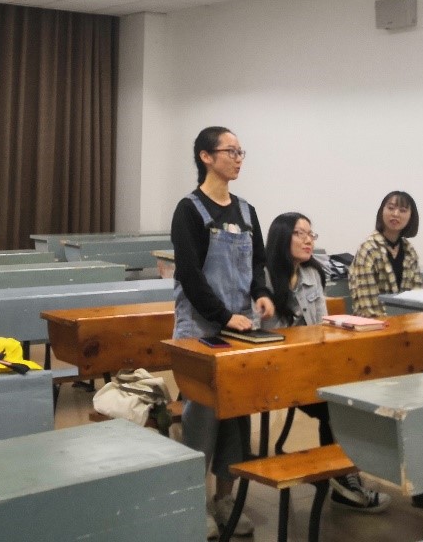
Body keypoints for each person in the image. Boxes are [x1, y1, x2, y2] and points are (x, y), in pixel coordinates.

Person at [171, 127, 275, 539]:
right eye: (230, 151)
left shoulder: (247, 211)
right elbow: (190, 275)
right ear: (206, 157)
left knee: (236, 415)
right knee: (202, 415)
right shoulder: (189, 210)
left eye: (240, 152)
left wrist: (262, 294)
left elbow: (258, 263)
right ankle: (194, 502)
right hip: (201, 326)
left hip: (242, 326)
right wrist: (223, 316)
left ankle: (226, 498)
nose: (238, 158)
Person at [262, 213, 391, 514]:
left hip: (311, 367)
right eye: (300, 233)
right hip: (276, 370)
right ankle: (344, 479)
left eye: (311, 234)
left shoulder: (312, 274)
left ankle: (343, 475)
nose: (308, 240)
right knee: (336, 404)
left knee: (347, 398)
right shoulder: (263, 277)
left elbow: (321, 327)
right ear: (282, 237)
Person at [350, 190, 423, 318]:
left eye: (402, 210)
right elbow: (368, 306)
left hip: (407, 323)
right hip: (373, 324)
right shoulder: (368, 249)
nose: (395, 214)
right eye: (391, 208)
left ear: (411, 217)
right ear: (382, 211)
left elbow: (416, 297)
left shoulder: (409, 251)